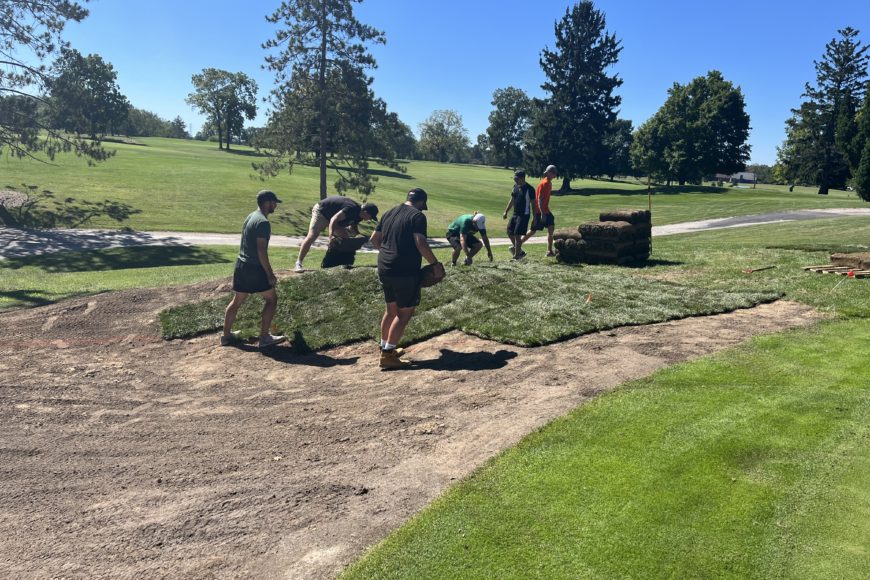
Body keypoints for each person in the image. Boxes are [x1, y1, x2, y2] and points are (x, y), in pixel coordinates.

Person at [370, 188, 441, 369]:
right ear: (422, 202)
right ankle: (388, 356)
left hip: (384, 267)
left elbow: (374, 238)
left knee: (391, 310)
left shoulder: (389, 212)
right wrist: (435, 264)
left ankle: (385, 347)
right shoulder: (417, 216)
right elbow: (420, 243)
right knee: (404, 313)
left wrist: (387, 254)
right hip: (404, 271)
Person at [221, 190, 287, 349]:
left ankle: (226, 336)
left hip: (241, 265)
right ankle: (264, 338)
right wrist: (270, 274)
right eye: (274, 202)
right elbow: (261, 251)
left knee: (237, 301)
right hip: (255, 268)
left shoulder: (251, 216)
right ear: (267, 203)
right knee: (271, 299)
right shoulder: (263, 222)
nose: (275, 205)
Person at [294, 195, 379, 272]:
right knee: (312, 235)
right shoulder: (351, 208)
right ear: (366, 212)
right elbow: (333, 220)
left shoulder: (360, 216)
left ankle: (339, 263)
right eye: (371, 217)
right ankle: (298, 263)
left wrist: (359, 236)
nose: (369, 219)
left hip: (332, 217)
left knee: (345, 238)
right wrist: (331, 237)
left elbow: (353, 227)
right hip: (322, 211)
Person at [524, 164, 557, 256]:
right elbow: (539, 199)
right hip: (541, 211)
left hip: (545, 210)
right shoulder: (545, 183)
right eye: (554, 173)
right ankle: (517, 246)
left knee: (551, 227)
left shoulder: (548, 182)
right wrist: (542, 214)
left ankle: (549, 251)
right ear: (549, 173)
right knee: (532, 231)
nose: (555, 175)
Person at [502, 170, 535, 260]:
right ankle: (520, 252)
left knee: (517, 235)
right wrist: (506, 211)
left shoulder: (530, 189)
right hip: (515, 214)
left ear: (522, 178)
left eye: (516, 178)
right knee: (510, 233)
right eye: (514, 178)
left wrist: (534, 217)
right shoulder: (515, 187)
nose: (515, 180)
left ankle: (516, 256)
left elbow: (533, 204)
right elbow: (512, 200)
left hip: (524, 215)